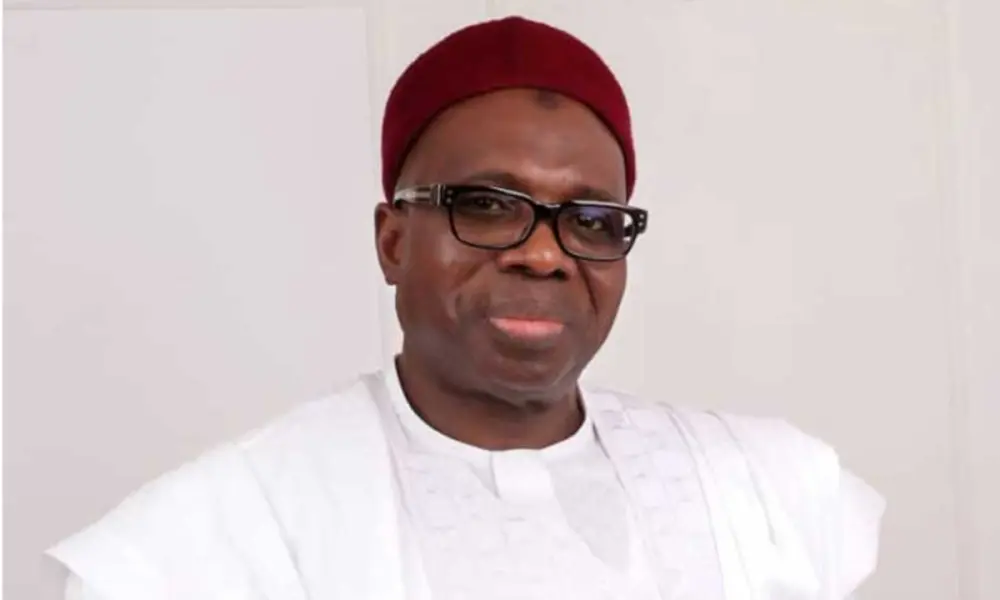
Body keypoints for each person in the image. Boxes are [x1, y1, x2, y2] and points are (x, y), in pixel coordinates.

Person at [49, 15, 885, 600]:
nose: (545, 254)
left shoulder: (768, 492)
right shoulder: (212, 539)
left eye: (591, 220)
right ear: (392, 241)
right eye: (485, 206)